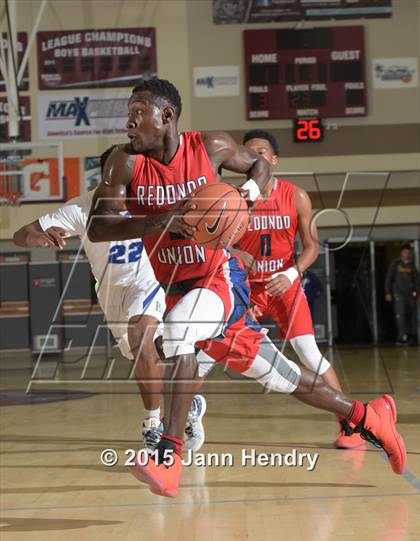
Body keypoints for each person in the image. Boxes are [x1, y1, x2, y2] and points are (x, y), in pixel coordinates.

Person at [87, 77, 406, 498]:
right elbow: (97, 226)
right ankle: (369, 415)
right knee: (282, 377)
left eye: (137, 114)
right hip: (177, 289)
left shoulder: (210, 147)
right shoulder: (123, 164)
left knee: (179, 330)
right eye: (128, 115)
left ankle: (169, 457)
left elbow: (261, 166)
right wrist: (160, 220)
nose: (129, 124)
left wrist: (248, 196)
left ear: (166, 116)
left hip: (219, 281)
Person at [12, 145, 207, 452]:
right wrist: (34, 237)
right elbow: (21, 234)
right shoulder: (80, 208)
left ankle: (152, 426)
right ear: (105, 178)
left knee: (143, 338)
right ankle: (190, 401)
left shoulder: (149, 199)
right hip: (112, 294)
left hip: (148, 284)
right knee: (151, 363)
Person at [234, 129, 363, 449]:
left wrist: (293, 273)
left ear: (274, 159)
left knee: (309, 354)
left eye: (260, 152)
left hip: (285, 285)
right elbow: (217, 244)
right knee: (207, 353)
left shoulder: (296, 195)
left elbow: (312, 247)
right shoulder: (234, 198)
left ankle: (353, 425)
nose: (255, 158)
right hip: (248, 290)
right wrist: (235, 257)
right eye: (248, 154)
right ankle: (171, 431)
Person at [385, 244, 418, 345]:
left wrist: (417, 291)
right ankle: (401, 337)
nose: (407, 254)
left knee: (411, 315)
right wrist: (388, 292)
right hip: (399, 294)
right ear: (401, 253)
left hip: (410, 295)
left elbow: (416, 280)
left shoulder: (412, 265)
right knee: (400, 315)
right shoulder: (396, 264)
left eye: (408, 253)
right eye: (405, 252)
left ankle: (412, 336)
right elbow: (389, 279)